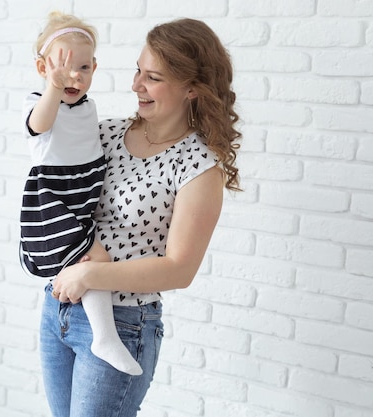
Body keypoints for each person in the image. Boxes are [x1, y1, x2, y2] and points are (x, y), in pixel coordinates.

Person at [40, 18, 242, 417]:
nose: (136, 85)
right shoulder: (105, 132)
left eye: (152, 77)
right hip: (58, 309)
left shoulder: (199, 166)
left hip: (124, 321)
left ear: (192, 89)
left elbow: (179, 269)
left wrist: (90, 275)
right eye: (137, 70)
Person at [19, 12, 143, 376]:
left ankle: (100, 334)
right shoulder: (40, 102)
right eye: (63, 68)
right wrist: (53, 89)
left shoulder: (88, 106)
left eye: (84, 68)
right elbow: (39, 125)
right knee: (95, 259)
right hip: (54, 197)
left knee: (87, 261)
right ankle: (104, 337)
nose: (74, 76)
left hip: (81, 194)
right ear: (42, 68)